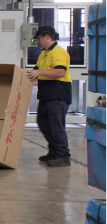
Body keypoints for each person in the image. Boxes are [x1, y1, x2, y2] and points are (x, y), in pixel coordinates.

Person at [27, 26, 72, 167]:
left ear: (47, 37)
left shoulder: (58, 52)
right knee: (43, 124)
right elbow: (37, 70)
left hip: (58, 95)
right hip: (46, 95)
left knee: (56, 126)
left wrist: (39, 73)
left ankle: (63, 156)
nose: (38, 42)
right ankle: (53, 152)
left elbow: (60, 72)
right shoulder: (44, 53)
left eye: (39, 38)